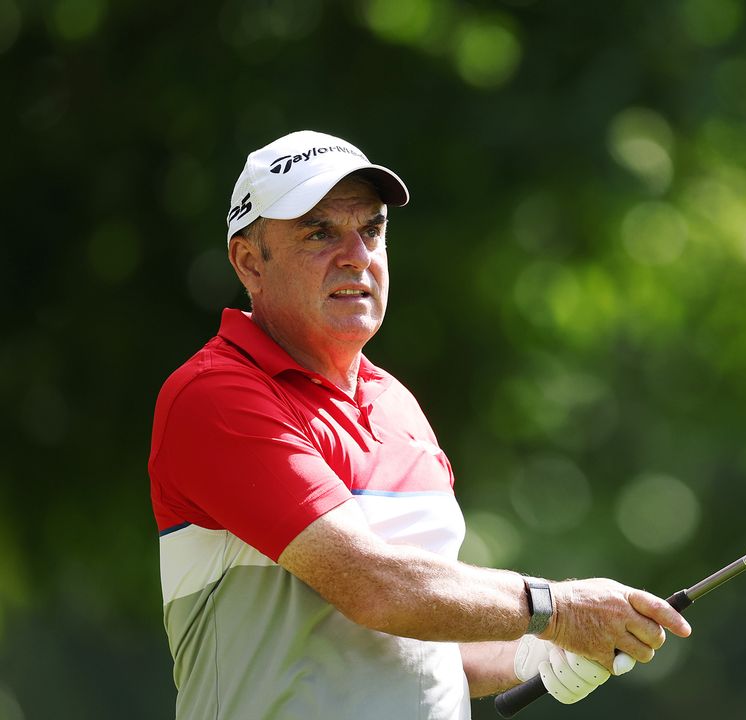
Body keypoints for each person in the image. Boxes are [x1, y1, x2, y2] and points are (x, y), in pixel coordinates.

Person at [148, 130, 691, 719]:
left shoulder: (399, 407)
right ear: (250, 262)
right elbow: (373, 587)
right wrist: (556, 608)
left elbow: (434, 638)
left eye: (372, 230)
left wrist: (544, 653)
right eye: (319, 232)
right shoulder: (214, 395)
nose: (356, 253)